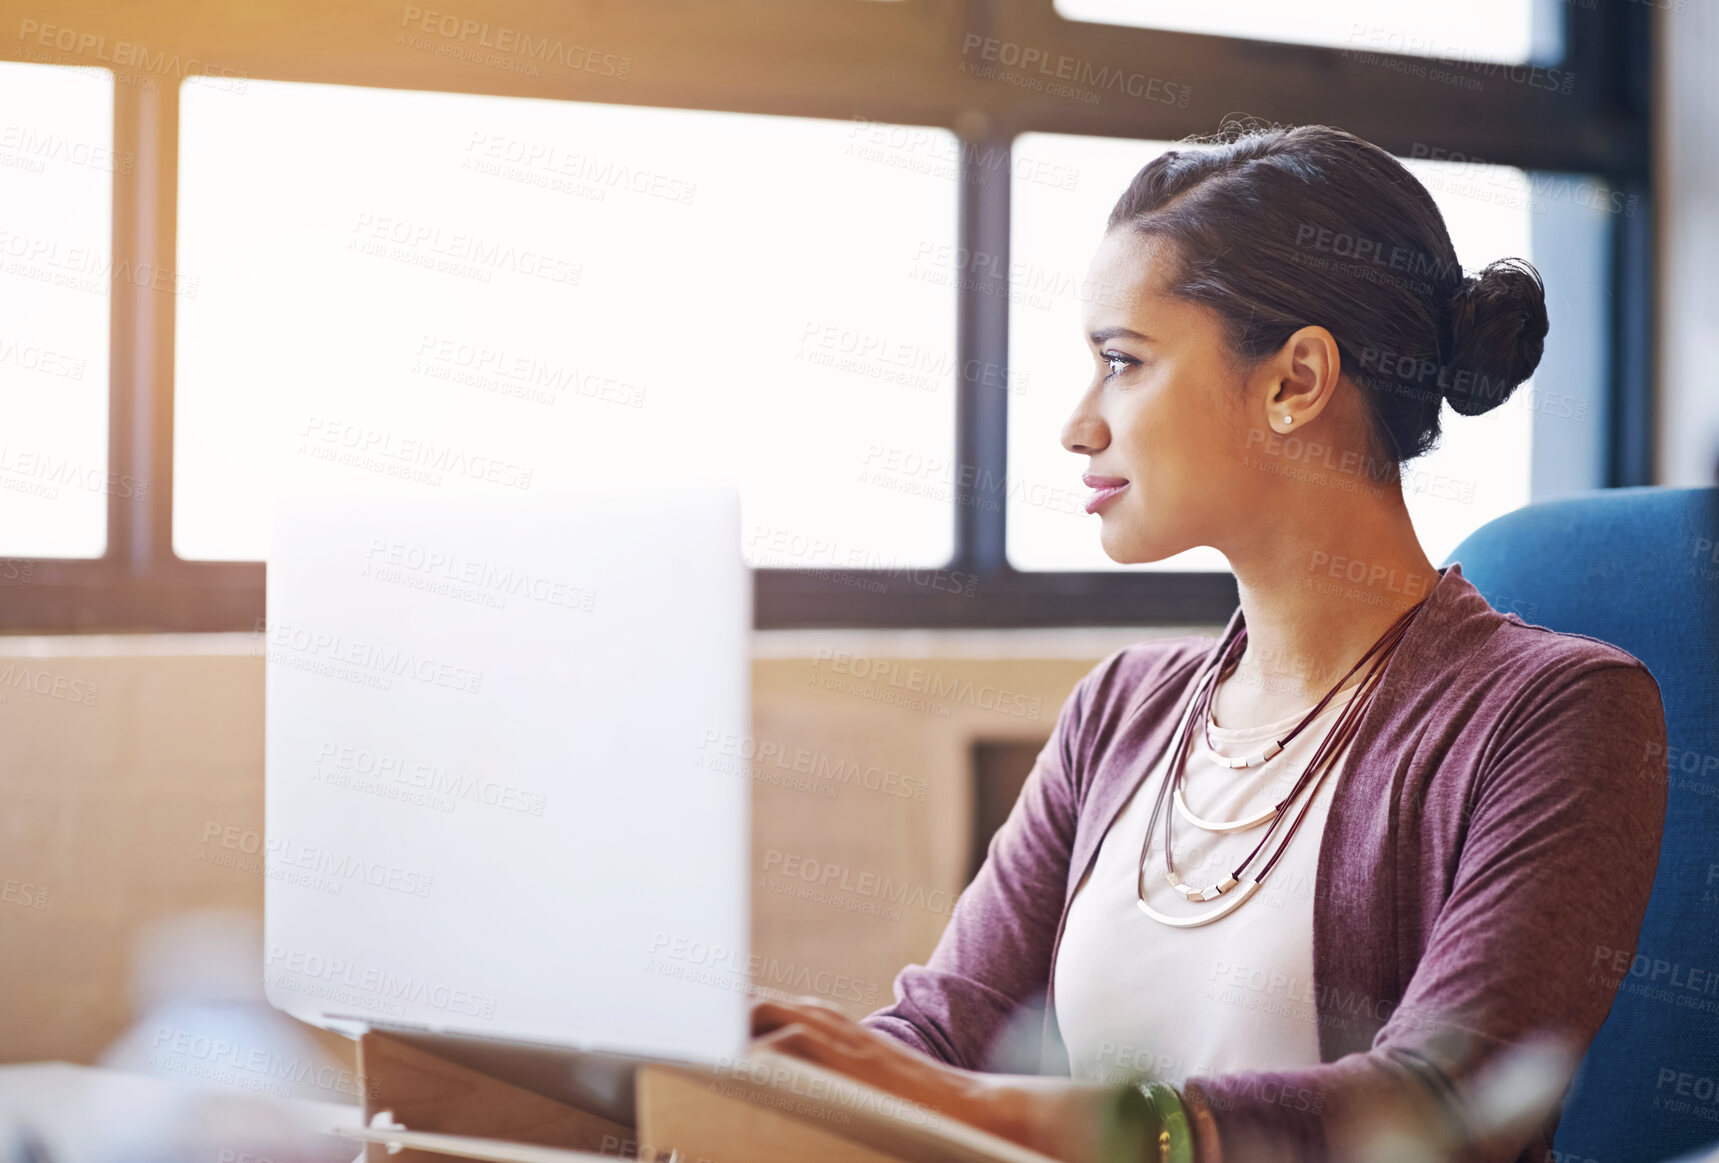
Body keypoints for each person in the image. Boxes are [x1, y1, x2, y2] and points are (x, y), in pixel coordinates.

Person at [748, 122, 1668, 1163]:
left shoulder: (1559, 711)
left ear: (1295, 381)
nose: (1077, 424)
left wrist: (986, 1107)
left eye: (1122, 362)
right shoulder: (1121, 709)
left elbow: (1437, 1108)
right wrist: (753, 1071)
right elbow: (936, 1038)